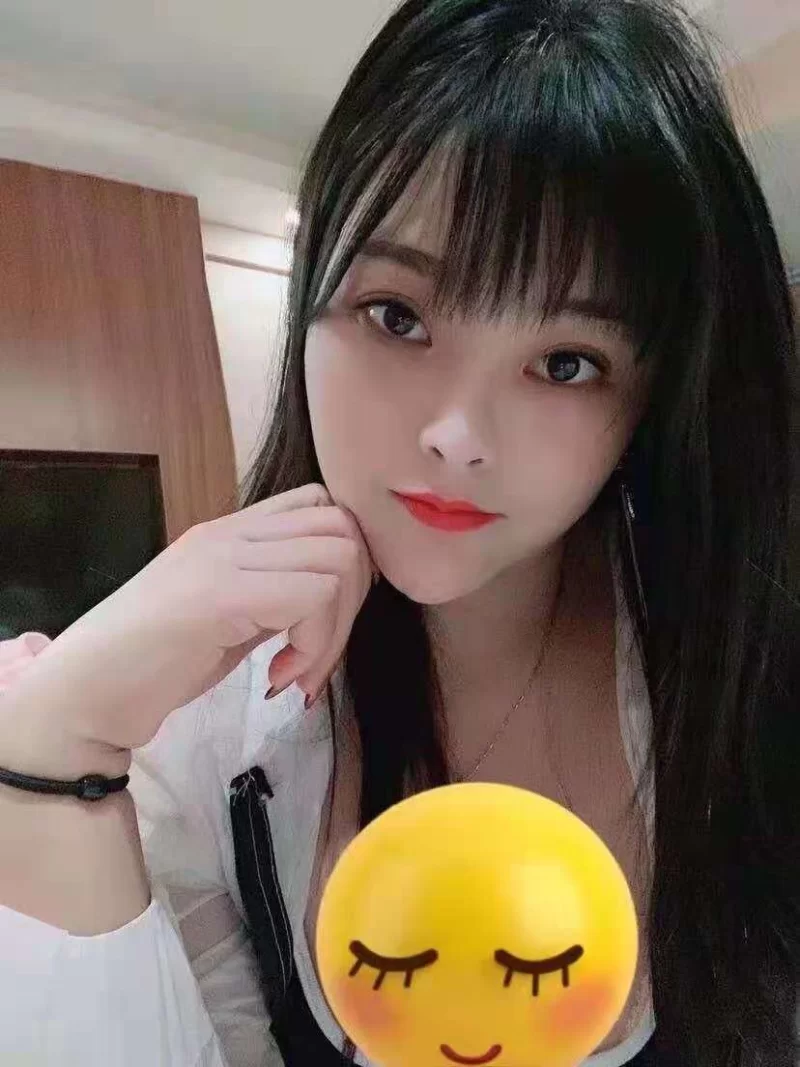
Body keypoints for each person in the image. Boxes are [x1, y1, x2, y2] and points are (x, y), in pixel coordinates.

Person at [0, 0, 797, 1064]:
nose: (455, 435)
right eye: (397, 315)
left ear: (652, 395)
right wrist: (57, 747)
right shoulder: (209, 737)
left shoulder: (749, 679)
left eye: (565, 362)